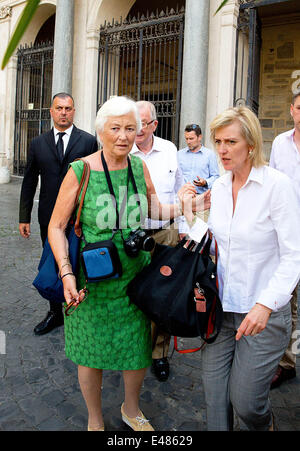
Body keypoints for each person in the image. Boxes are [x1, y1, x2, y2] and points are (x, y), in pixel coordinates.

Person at [47, 96, 210, 431]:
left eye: (130, 128)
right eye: (115, 128)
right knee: (89, 352)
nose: (123, 136)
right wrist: (66, 272)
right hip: (92, 281)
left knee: (137, 348)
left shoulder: (138, 167)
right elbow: (56, 226)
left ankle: (131, 408)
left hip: (136, 278)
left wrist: (186, 206)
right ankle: (94, 417)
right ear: (101, 130)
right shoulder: (83, 170)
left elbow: (153, 209)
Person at [179, 106, 300, 431]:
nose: (221, 149)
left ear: (251, 144)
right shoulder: (218, 188)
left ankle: (265, 426)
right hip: (220, 310)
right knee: (215, 399)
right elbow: (213, 240)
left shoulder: (277, 186)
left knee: (246, 401)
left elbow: (294, 255)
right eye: (218, 141)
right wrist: (189, 216)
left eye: (230, 141)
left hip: (262, 315)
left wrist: (265, 305)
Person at [19, 93, 98, 336]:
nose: (64, 112)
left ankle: (81, 307)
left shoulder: (88, 141)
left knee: (80, 262)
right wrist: (24, 216)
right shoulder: (38, 143)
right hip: (49, 218)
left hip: (79, 217)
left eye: (68, 108)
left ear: (74, 111)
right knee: (53, 264)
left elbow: (94, 180)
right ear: (51, 111)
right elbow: (30, 181)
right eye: (59, 108)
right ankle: (55, 311)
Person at [131, 100, 184, 382]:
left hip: (165, 232)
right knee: (134, 294)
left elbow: (179, 191)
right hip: (133, 237)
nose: (138, 129)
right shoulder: (122, 152)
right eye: (134, 123)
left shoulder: (170, 151)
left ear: (155, 124)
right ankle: (134, 349)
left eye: (143, 123)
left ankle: (159, 353)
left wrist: (184, 227)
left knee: (164, 295)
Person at [269, 91, 300, 389]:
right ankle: (286, 362)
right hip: (287, 233)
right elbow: (273, 188)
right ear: (292, 110)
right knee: (286, 300)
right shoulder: (280, 143)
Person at [178, 123, 219, 223]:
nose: (188, 142)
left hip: (202, 201)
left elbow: (216, 177)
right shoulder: (179, 155)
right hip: (183, 200)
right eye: (186, 139)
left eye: (191, 139)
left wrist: (205, 182)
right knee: (182, 234)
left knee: (200, 233)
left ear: (199, 137)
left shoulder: (210, 155)